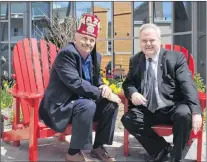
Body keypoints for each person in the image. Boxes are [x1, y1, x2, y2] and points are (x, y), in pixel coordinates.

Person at [39, 13, 122, 162]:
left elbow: (97, 79)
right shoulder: (66, 55)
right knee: (88, 104)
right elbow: (76, 83)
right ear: (76, 37)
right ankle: (73, 153)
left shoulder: (95, 56)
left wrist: (104, 87)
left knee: (111, 105)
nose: (88, 43)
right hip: (61, 107)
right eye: (84, 38)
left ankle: (98, 147)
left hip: (81, 105)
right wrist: (101, 93)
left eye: (91, 40)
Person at [121, 23, 202, 162]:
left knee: (183, 115)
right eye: (144, 41)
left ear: (159, 41)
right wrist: (133, 93)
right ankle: (163, 150)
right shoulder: (136, 60)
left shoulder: (176, 58)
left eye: (152, 40)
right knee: (128, 118)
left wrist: (196, 112)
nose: (148, 44)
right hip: (149, 108)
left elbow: (187, 84)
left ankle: (176, 157)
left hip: (174, 106)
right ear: (140, 42)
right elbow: (128, 83)